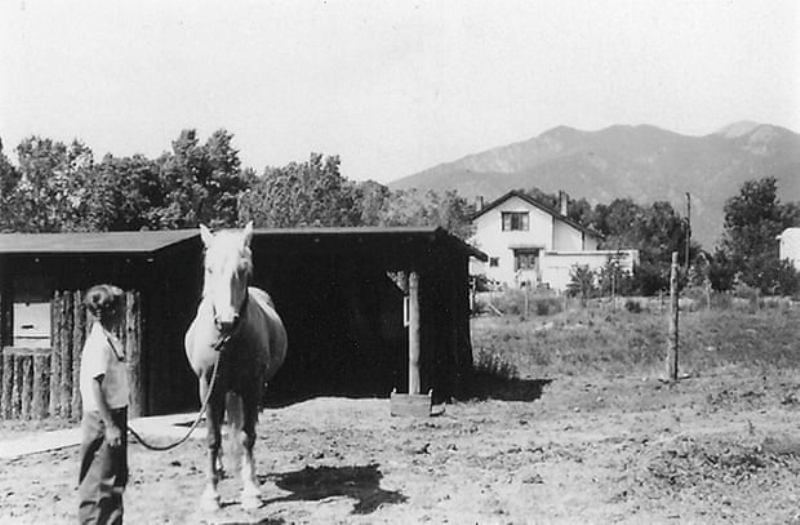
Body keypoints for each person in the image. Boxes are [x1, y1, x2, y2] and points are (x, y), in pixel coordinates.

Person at [78, 284, 129, 524]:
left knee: (115, 480)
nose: (122, 312)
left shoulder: (110, 338)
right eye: (118, 308)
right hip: (102, 420)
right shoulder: (98, 342)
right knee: (100, 484)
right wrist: (109, 425)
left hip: (115, 415)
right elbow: (95, 385)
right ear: (107, 311)